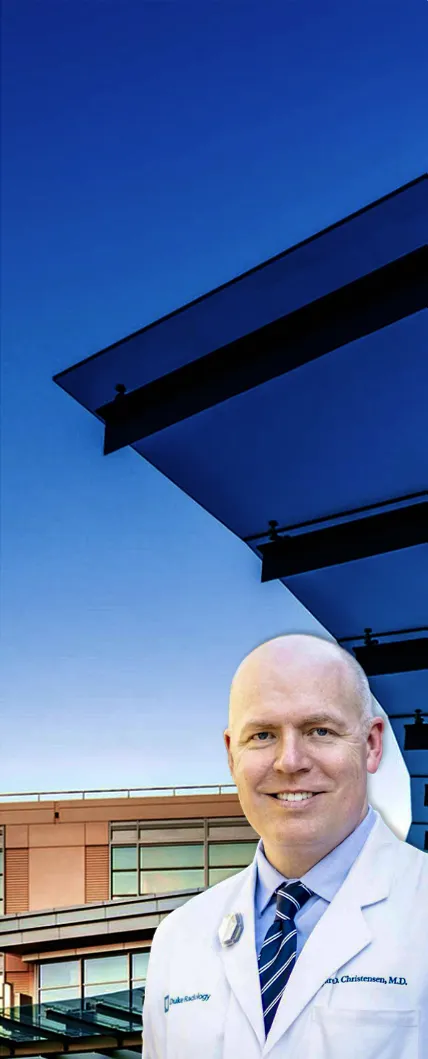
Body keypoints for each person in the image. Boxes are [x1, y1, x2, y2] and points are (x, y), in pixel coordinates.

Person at [142, 633, 428, 1059]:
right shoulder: (179, 938)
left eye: (319, 730)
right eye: (262, 735)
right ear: (230, 755)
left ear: (371, 745)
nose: (290, 761)